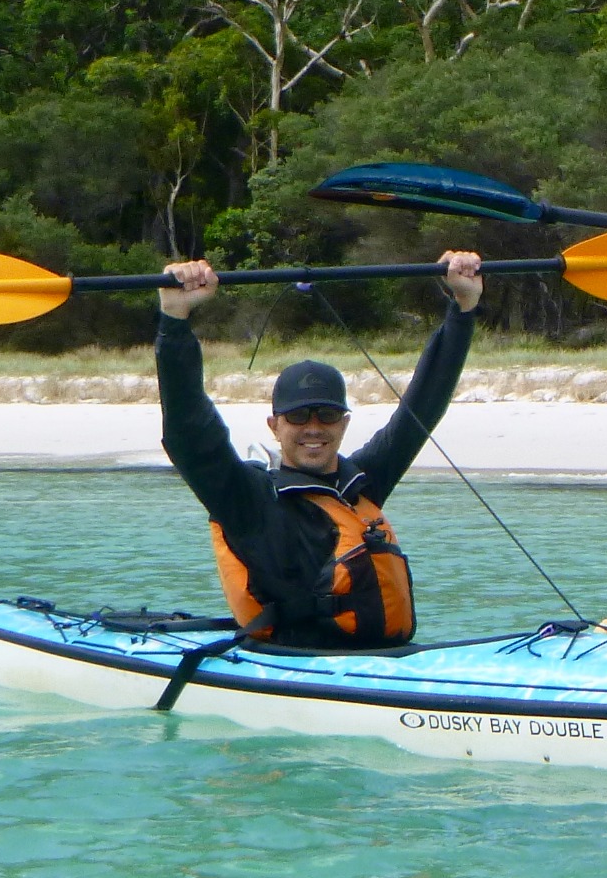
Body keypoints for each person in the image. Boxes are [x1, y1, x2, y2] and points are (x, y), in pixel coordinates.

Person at [154, 251, 483, 648]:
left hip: (384, 661)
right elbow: (190, 432)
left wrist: (463, 308)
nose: (313, 428)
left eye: (327, 415)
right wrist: (174, 320)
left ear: (344, 423)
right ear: (275, 426)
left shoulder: (360, 484)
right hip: (299, 668)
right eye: (298, 417)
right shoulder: (248, 500)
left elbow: (423, 406)